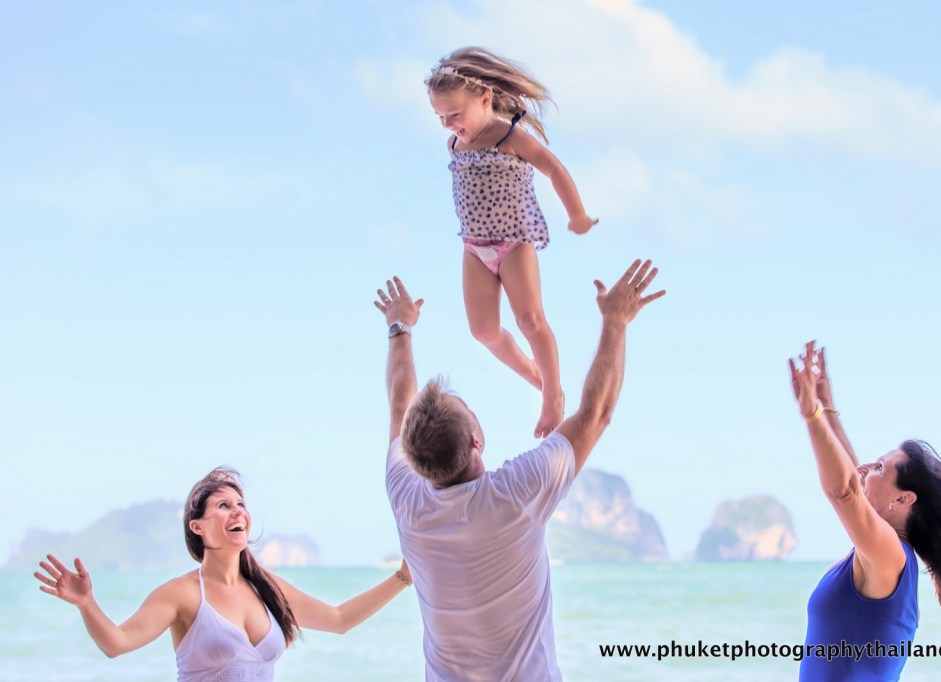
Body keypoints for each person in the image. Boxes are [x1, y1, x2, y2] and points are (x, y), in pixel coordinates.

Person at [374, 259, 664, 681]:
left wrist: (400, 328)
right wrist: (615, 321)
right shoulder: (516, 495)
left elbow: (401, 404)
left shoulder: (407, 498)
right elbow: (595, 414)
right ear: (478, 439)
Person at [35, 467, 412, 681]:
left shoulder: (268, 588)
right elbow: (116, 643)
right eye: (223, 505)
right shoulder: (182, 594)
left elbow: (339, 619)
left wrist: (402, 578)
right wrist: (86, 603)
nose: (237, 511)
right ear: (196, 527)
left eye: (241, 504)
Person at [425, 46, 599, 438]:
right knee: (484, 331)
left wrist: (577, 215)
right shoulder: (454, 144)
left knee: (529, 320)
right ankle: (539, 378)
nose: (447, 124)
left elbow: (554, 169)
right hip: (473, 246)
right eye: (439, 116)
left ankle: (553, 397)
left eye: (454, 114)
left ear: (485, 100)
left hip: (514, 242)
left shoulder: (509, 136)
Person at [789, 341, 941, 681]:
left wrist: (812, 416)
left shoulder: (890, 558)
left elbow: (845, 490)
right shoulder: (883, 556)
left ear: (903, 500)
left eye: (879, 467)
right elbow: (852, 479)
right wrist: (827, 408)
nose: (864, 466)